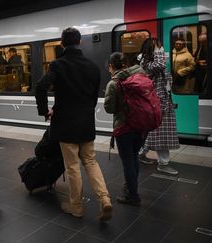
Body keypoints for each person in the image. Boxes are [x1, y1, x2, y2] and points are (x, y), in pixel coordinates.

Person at [35, 27, 112, 221]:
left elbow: (40, 87)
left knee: (73, 167)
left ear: (62, 43)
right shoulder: (93, 67)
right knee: (91, 161)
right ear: (80, 42)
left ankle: (76, 207)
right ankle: (104, 199)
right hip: (86, 123)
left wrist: (45, 111)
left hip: (66, 124)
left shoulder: (58, 65)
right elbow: (94, 98)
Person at [104, 52, 145, 206]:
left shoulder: (114, 83)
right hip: (141, 125)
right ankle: (131, 187)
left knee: (127, 161)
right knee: (134, 156)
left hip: (124, 127)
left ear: (111, 66)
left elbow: (109, 108)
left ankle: (132, 195)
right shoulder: (139, 74)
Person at [139, 38, 180, 175]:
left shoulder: (152, 62)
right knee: (160, 133)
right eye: (158, 48)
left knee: (154, 132)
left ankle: (141, 153)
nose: (162, 50)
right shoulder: (146, 63)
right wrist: (159, 53)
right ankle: (163, 163)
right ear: (152, 50)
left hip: (162, 102)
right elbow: (159, 65)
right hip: (156, 103)